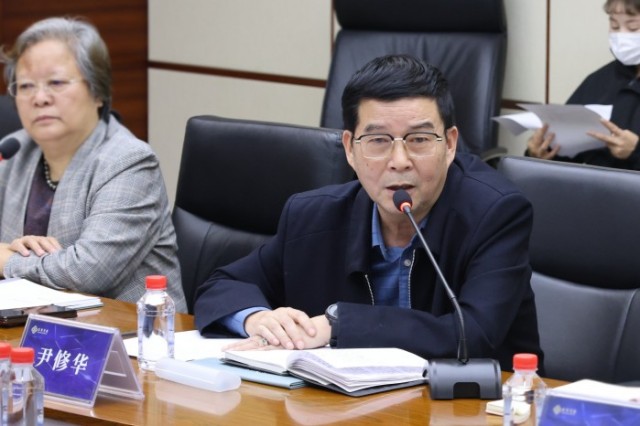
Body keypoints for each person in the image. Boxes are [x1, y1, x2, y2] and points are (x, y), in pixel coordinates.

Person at [194, 54, 543, 371]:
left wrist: (337, 325)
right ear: (350, 149)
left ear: (450, 144)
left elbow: (475, 334)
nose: (399, 161)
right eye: (378, 141)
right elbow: (221, 286)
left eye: (419, 140)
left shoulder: (496, 214)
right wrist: (257, 319)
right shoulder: (312, 216)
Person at [0, 17, 187, 312]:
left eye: (56, 83)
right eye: (25, 86)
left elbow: (87, 273)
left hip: (127, 333)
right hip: (27, 326)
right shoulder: (13, 151)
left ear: (98, 91)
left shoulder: (128, 162)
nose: (40, 98)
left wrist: (7, 260)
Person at [527, 0, 640, 170]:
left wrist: (636, 151)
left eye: (633, 28)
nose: (621, 36)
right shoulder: (600, 79)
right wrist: (543, 152)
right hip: (592, 183)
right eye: (615, 26)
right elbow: (569, 150)